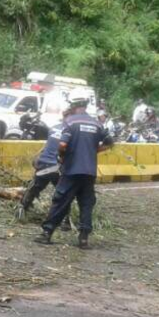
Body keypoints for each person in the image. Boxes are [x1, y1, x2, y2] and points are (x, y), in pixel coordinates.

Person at [35, 89, 114, 249]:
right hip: (89, 172)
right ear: (85, 104)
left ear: (73, 105)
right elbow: (110, 142)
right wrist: (93, 150)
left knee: (60, 200)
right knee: (86, 203)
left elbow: (63, 144)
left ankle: (47, 233)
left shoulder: (70, 122)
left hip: (71, 170)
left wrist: (61, 156)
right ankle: (83, 238)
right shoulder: (96, 123)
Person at [18, 106, 74, 225]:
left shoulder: (53, 128)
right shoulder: (72, 131)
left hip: (43, 164)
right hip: (57, 167)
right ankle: (66, 221)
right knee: (64, 193)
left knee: (34, 189)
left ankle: (21, 210)